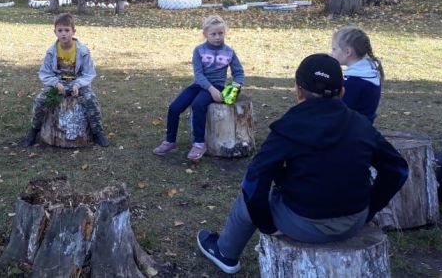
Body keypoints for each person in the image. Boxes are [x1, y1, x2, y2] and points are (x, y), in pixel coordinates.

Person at [196, 53, 408, 274]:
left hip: (304, 223)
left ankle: (225, 253)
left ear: (298, 91)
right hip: (354, 220)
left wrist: (267, 224)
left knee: (245, 201)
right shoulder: (362, 125)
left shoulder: (288, 127)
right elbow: (398, 170)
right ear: (342, 91)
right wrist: (369, 209)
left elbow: (254, 182)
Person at [153, 16, 244, 161]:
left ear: (225, 33)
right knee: (175, 107)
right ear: (205, 34)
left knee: (198, 105)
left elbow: (238, 73)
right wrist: (211, 90)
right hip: (200, 85)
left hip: (218, 85)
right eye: (213, 34)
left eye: (220, 33)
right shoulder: (199, 50)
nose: (217, 37)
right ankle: (170, 141)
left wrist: (235, 86)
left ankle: (199, 144)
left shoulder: (229, 52)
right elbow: (199, 74)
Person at [23, 13, 109, 147]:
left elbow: (89, 73)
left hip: (78, 83)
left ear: (73, 31)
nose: (64, 34)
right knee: (41, 100)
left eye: (67, 30)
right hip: (58, 83)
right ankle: (34, 130)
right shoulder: (51, 51)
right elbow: (45, 73)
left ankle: (98, 132)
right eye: (60, 30)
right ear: (55, 32)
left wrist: (78, 85)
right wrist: (55, 83)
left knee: (91, 99)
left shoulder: (82, 51)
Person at [331, 26, 383, 123]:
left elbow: (341, 111)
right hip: (362, 126)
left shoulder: (354, 81)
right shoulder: (370, 69)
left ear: (347, 52)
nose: (331, 53)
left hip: (352, 130)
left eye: (334, 49)